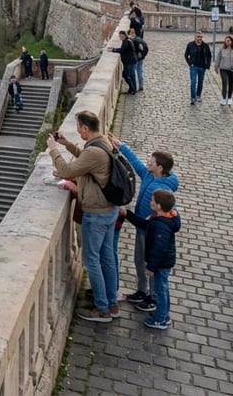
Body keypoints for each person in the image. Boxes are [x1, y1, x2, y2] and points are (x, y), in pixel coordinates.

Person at [48, 111, 118, 322]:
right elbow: (84, 159)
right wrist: (67, 143)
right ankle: (111, 301)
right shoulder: (102, 141)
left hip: (96, 214)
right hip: (109, 210)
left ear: (86, 128)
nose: (78, 131)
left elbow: (66, 168)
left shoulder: (95, 151)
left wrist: (53, 150)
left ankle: (102, 308)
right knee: (107, 258)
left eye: (78, 128)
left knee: (92, 260)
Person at [106, 132, 178, 313]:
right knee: (139, 260)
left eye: (151, 162)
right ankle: (142, 290)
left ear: (160, 168)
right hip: (142, 227)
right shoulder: (149, 175)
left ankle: (152, 298)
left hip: (151, 230)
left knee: (151, 263)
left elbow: (167, 210)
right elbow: (136, 163)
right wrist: (120, 146)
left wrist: (153, 220)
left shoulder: (163, 187)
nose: (148, 163)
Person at [124, 189, 180, 330]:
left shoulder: (160, 225)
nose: (150, 202)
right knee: (163, 289)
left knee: (160, 291)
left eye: (152, 201)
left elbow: (159, 248)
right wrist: (128, 214)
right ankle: (164, 314)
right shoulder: (161, 218)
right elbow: (144, 224)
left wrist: (151, 267)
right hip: (163, 262)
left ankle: (160, 319)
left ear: (159, 206)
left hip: (161, 264)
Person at [183, 31, 213, 105]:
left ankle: (198, 95)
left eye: (201, 37)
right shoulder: (190, 45)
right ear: (195, 37)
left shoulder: (205, 46)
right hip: (193, 66)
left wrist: (207, 65)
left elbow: (209, 56)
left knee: (200, 82)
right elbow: (186, 55)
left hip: (202, 67)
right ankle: (193, 97)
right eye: (198, 36)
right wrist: (190, 63)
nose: (199, 38)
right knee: (193, 82)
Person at [110, 30, 138, 94]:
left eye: (122, 36)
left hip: (129, 62)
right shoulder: (127, 40)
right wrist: (115, 49)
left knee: (128, 75)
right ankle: (132, 89)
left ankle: (133, 89)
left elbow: (122, 50)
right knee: (130, 75)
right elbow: (123, 49)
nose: (120, 37)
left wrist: (114, 49)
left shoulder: (126, 42)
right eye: (120, 36)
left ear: (125, 35)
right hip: (131, 61)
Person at [216, 35, 233, 106]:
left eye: (229, 40)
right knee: (224, 83)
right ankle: (223, 98)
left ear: (232, 41)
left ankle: (229, 98)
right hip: (223, 69)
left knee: (231, 84)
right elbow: (218, 58)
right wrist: (216, 67)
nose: (228, 42)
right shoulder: (222, 50)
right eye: (227, 40)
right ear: (225, 42)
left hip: (232, 70)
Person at [127, 28, 147, 92]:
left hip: (135, 58)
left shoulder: (131, 40)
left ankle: (134, 86)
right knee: (140, 71)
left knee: (133, 72)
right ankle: (141, 85)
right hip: (141, 57)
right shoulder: (139, 38)